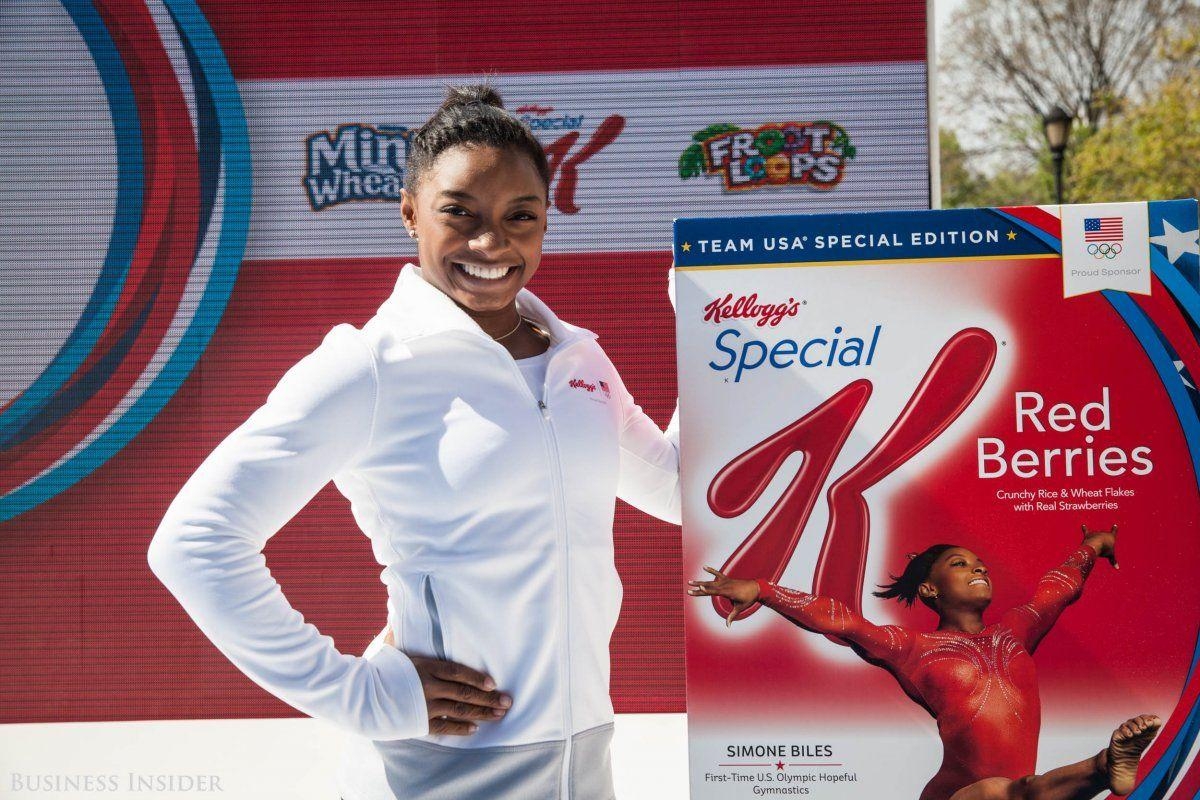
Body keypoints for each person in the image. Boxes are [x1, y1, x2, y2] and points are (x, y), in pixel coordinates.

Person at [147, 84, 680, 800]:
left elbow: (681, 492)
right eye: (459, 214)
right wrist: (358, 695)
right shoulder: (371, 364)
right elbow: (193, 540)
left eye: (520, 217)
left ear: (547, 223)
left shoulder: (579, 361)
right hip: (440, 770)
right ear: (409, 213)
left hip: (582, 761)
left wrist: (715, 338)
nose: (491, 243)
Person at [688, 525, 1161, 800]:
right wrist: (766, 591)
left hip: (1025, 793)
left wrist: (1093, 547)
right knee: (1005, 791)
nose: (977, 567)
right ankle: (1105, 765)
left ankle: (1104, 767)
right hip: (960, 797)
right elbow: (843, 621)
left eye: (979, 562)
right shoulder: (912, 648)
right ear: (931, 590)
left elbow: (1058, 587)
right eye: (959, 564)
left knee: (1018, 791)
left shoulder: (1017, 629)